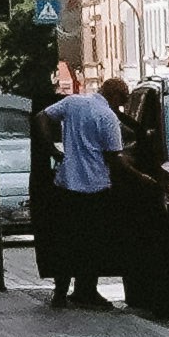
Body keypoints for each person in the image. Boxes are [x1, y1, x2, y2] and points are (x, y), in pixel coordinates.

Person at [46, 64, 123, 310]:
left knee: (67, 240)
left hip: (67, 185)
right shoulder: (107, 117)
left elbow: (41, 117)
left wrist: (50, 149)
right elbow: (114, 157)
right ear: (114, 96)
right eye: (122, 101)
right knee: (92, 243)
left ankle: (60, 293)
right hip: (95, 188)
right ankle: (86, 291)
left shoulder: (73, 103)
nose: (120, 107)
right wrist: (141, 176)